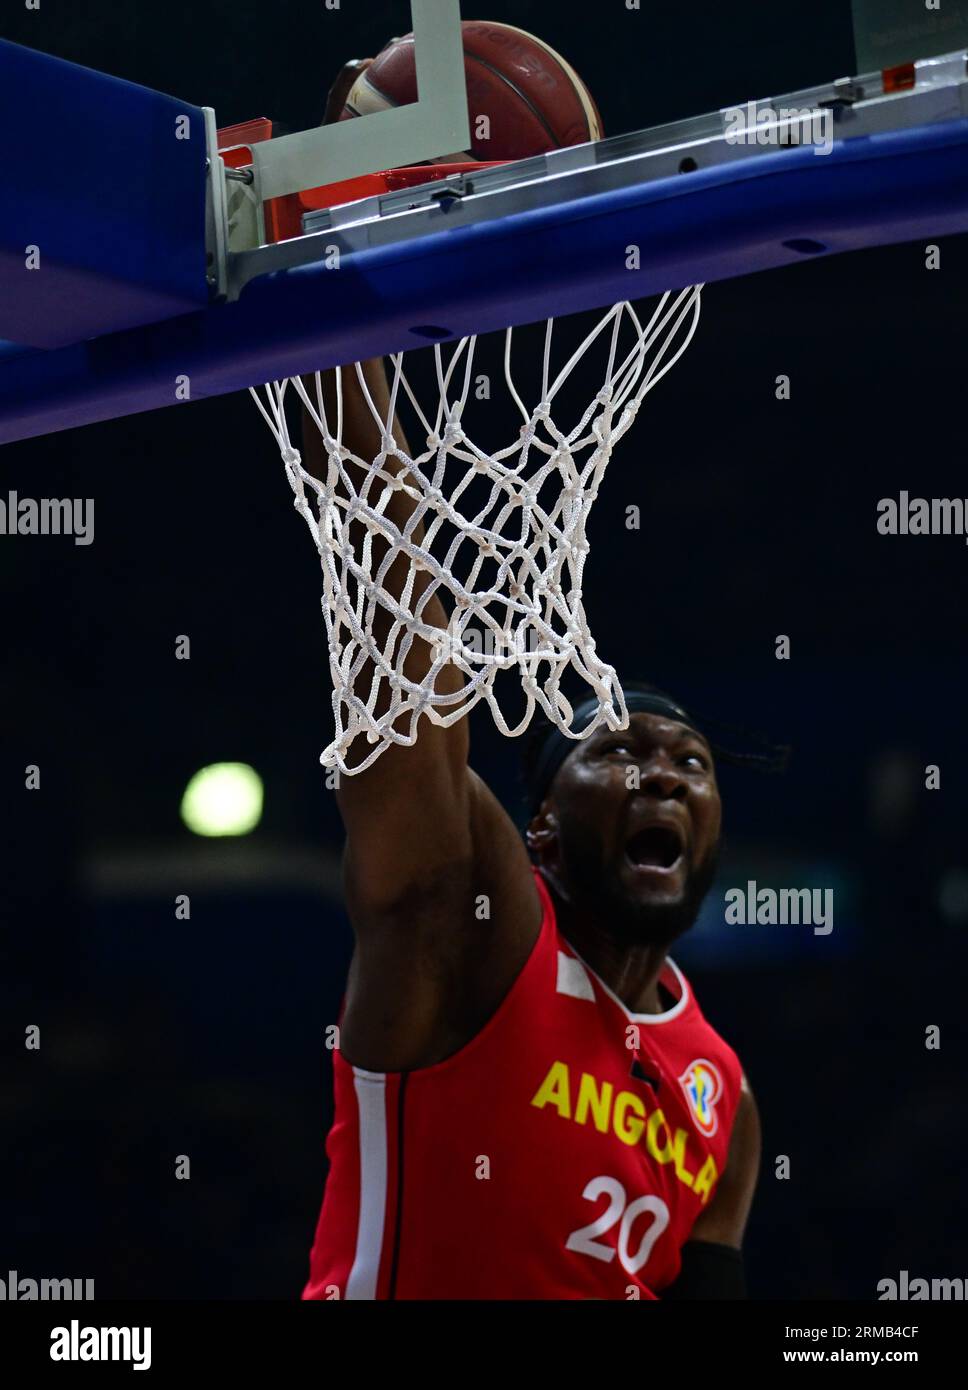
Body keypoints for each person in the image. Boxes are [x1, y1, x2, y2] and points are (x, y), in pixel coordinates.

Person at [298, 61, 761, 1303]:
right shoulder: (472, 922)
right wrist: (331, 300)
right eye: (620, 750)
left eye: (689, 762)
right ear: (542, 821)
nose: (663, 768)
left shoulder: (721, 1089)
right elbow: (413, 678)